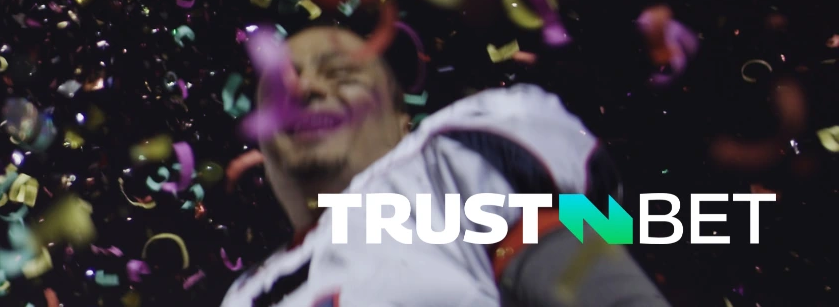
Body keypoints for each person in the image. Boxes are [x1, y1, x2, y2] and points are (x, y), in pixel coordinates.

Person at [222, 25, 667, 307]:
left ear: (404, 124)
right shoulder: (242, 294)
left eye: (340, 75)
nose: (306, 90)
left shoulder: (450, 167)